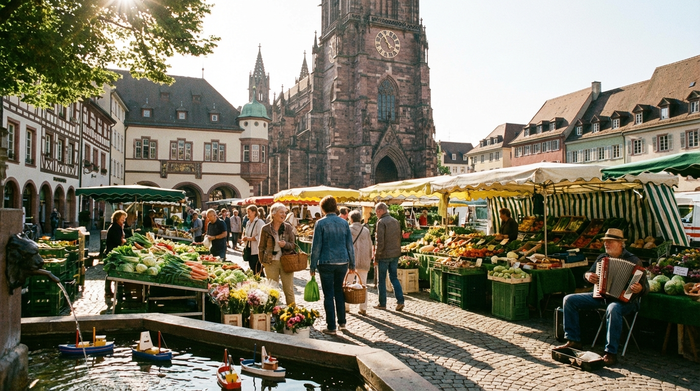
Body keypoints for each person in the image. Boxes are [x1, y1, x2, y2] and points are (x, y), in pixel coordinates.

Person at [556, 228, 649, 366]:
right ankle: (574, 340)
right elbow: (588, 274)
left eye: (610, 242)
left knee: (613, 308)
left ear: (620, 244)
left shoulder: (634, 260)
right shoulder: (602, 258)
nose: (606, 244)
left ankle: (610, 353)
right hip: (602, 296)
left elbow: (645, 288)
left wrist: (640, 288)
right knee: (569, 299)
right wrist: (588, 276)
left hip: (626, 301)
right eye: (605, 242)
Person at [310, 196, 356, 335]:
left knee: (328, 295)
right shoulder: (344, 223)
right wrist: (352, 263)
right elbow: (350, 245)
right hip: (342, 261)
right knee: (339, 292)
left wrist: (312, 265)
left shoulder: (320, 223)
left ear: (323, 208)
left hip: (326, 262)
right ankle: (342, 322)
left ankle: (331, 326)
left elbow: (316, 247)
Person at [258, 203, 297, 305]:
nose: (284, 215)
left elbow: (293, 245)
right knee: (272, 290)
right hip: (270, 262)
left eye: (285, 212)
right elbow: (261, 247)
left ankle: (292, 315)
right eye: (281, 212)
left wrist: (285, 245)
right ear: (274, 214)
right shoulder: (265, 229)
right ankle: (274, 313)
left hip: (286, 262)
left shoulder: (288, 227)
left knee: (288, 289)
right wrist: (263, 261)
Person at [374, 202, 404, 311]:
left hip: (384, 255)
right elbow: (399, 238)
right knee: (394, 277)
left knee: (381, 280)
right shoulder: (396, 221)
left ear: (380, 211)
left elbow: (380, 242)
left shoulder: (381, 222)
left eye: (377, 211)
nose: (376, 213)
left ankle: (382, 303)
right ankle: (400, 301)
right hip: (395, 253)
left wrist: (376, 257)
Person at [345, 210, 372, 316]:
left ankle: (346, 306)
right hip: (364, 260)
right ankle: (363, 307)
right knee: (363, 284)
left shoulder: (348, 229)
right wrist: (369, 258)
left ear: (351, 219)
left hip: (351, 260)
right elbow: (370, 245)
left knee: (348, 283)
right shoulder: (365, 230)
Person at [104, 210, 127, 299]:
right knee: (110, 272)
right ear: (117, 218)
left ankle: (111, 290)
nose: (124, 220)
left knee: (111, 272)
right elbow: (117, 240)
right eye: (122, 218)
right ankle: (108, 291)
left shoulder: (118, 226)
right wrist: (123, 241)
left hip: (114, 251)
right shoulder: (114, 228)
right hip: (111, 252)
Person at [242, 205, 264, 276]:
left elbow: (260, 236)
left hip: (256, 250)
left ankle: (262, 282)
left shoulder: (259, 222)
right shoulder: (248, 222)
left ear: (254, 212)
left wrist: (248, 238)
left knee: (257, 268)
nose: (247, 214)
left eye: (249, 212)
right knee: (252, 267)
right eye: (247, 212)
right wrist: (244, 238)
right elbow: (246, 233)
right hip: (249, 248)